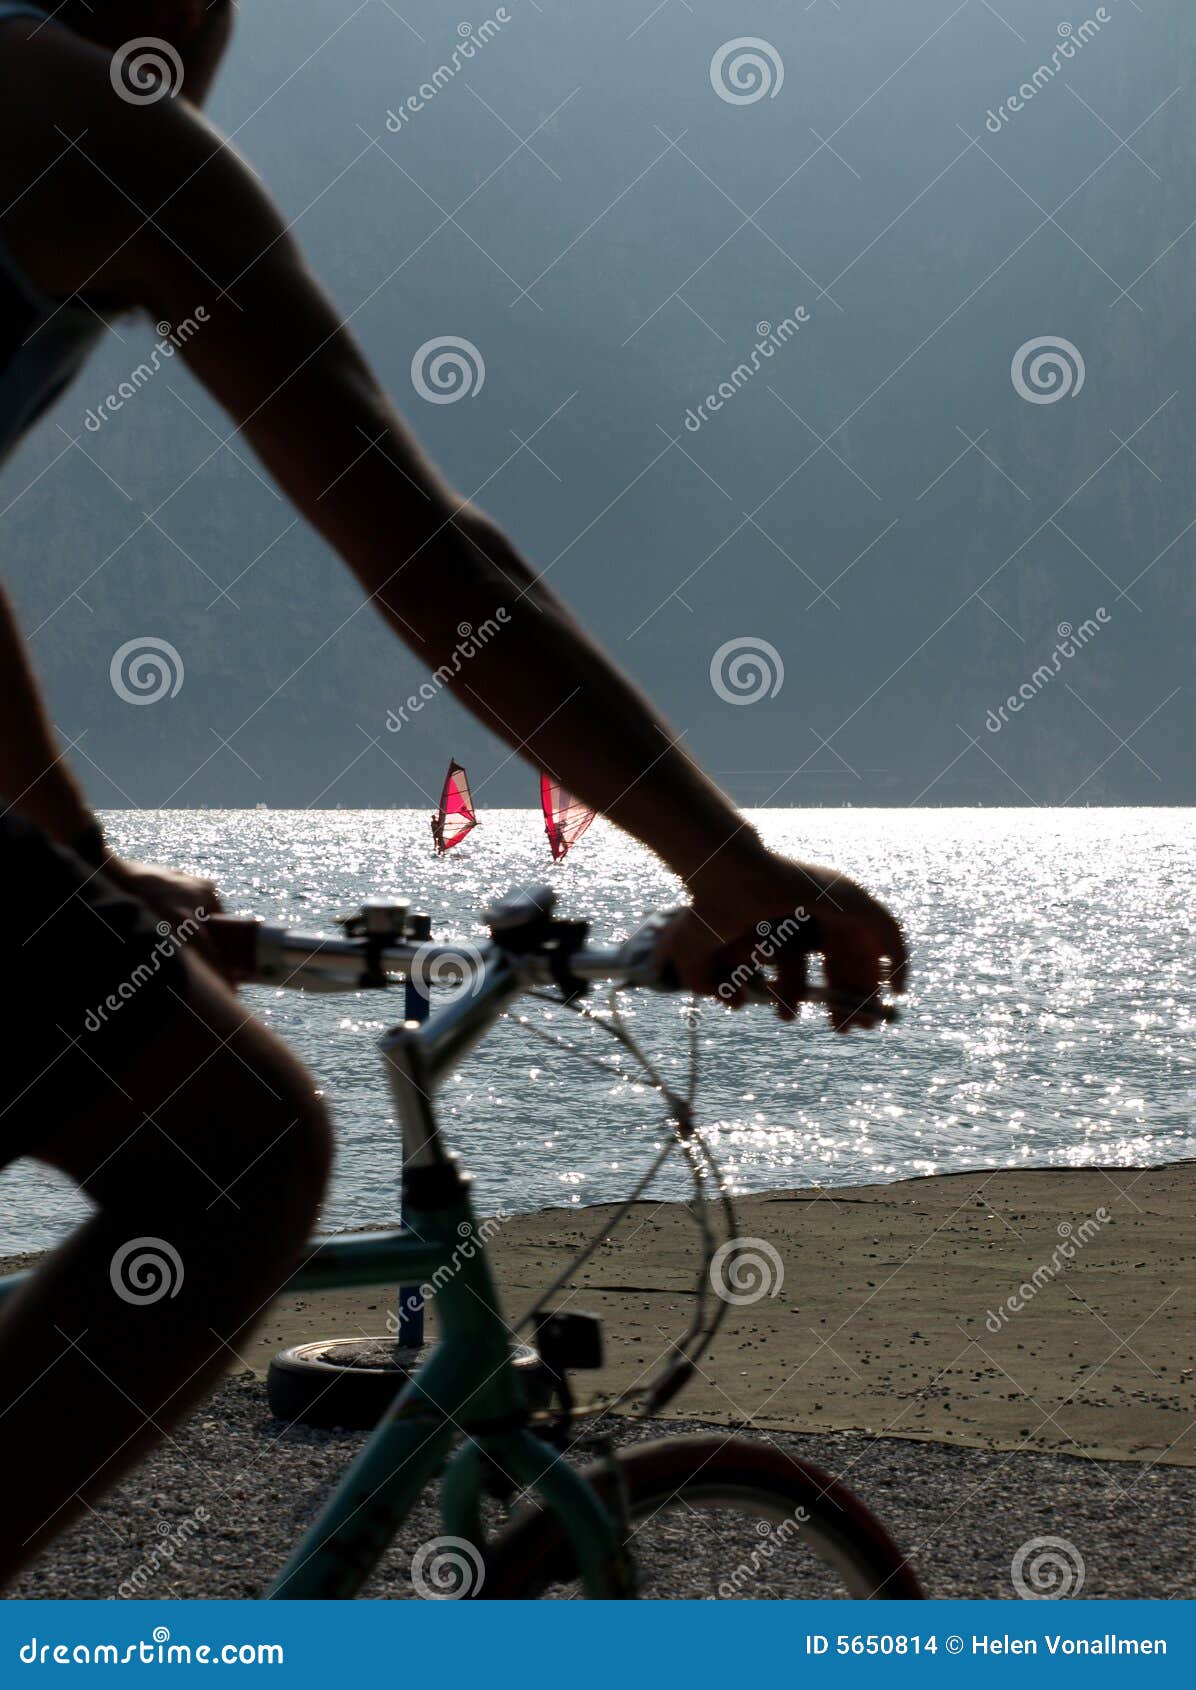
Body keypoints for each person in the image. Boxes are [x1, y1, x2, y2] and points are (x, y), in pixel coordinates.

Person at [0, 1, 907, 1582]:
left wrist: (75, 857)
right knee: (237, 1152)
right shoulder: (103, 128)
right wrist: (730, 862)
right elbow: (436, 565)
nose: (217, 48)